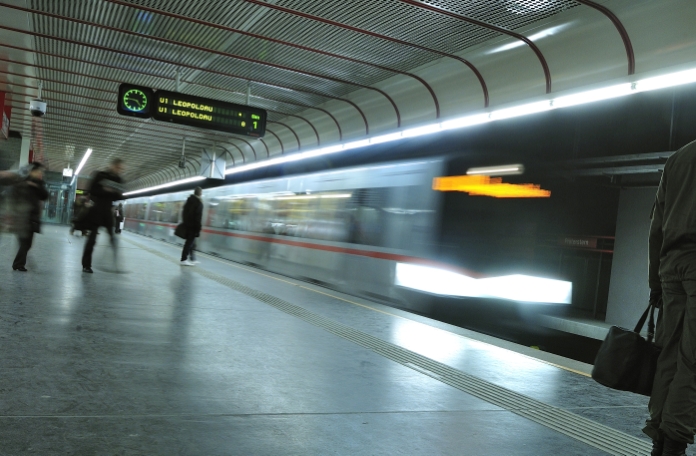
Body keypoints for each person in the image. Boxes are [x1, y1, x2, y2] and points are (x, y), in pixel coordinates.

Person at [645, 139, 696, 456]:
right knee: (693, 361)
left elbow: (656, 225)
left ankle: (659, 441)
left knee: (669, 355)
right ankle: (674, 445)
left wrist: (655, 282)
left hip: (670, 266)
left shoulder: (678, 158)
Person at [82, 158, 125, 273]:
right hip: (97, 210)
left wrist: (113, 192)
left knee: (112, 238)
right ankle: (86, 265)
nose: (119, 170)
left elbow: (120, 196)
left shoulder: (118, 179)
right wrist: (108, 191)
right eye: (117, 167)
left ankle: (116, 265)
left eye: (120, 168)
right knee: (92, 239)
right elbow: (92, 190)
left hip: (108, 212)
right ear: (112, 166)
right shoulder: (100, 175)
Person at [9, 162, 48, 271]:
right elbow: (14, 195)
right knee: (25, 242)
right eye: (39, 171)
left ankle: (18, 263)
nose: (40, 173)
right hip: (22, 216)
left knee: (27, 243)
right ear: (32, 171)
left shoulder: (39, 183)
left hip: (32, 217)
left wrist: (37, 185)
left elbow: (45, 195)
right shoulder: (22, 181)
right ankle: (18, 264)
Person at [180, 187, 203, 266]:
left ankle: (192, 258)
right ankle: (183, 259)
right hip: (193, 227)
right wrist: (198, 228)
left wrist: (186, 222)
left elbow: (184, 213)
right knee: (189, 243)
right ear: (200, 193)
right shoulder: (198, 203)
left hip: (188, 225)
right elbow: (198, 217)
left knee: (191, 242)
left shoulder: (189, 201)